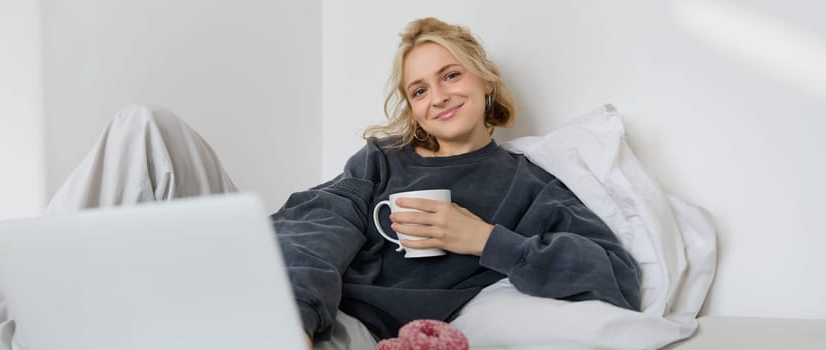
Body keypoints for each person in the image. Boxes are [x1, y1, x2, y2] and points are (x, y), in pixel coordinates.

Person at [271, 17, 641, 349]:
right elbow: (319, 222)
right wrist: (296, 316)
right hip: (330, 315)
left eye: (451, 75)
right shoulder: (382, 159)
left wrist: (483, 239)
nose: (439, 97)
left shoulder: (530, 185)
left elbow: (617, 279)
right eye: (419, 90)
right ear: (413, 109)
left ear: (485, 78)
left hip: (403, 335)